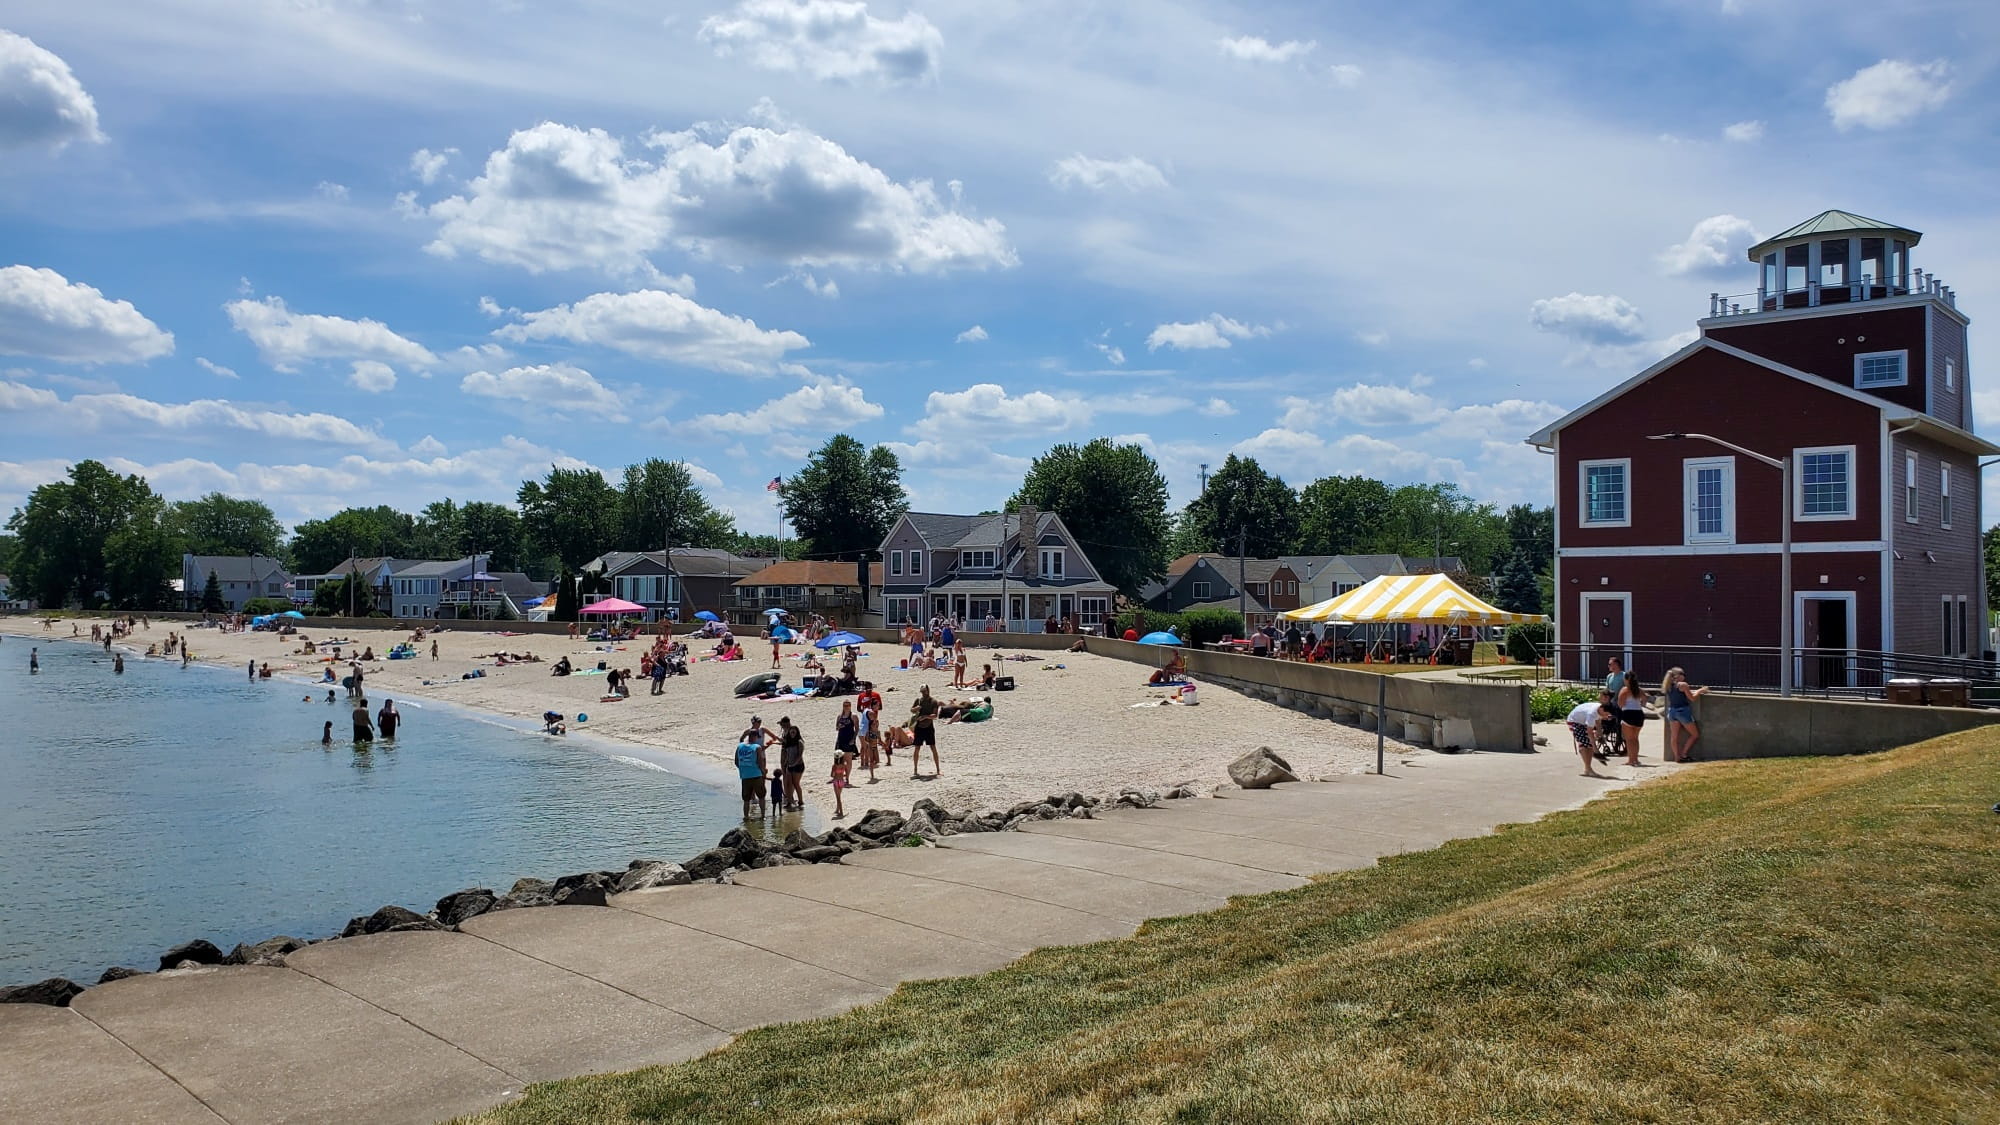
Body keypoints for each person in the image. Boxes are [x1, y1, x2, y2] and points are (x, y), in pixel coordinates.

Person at [1661, 667, 1710, 762]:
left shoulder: (1668, 685)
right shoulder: (1683, 685)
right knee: (1695, 734)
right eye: (1683, 674)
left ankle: (1676, 757)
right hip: (1683, 712)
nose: (1684, 676)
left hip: (1672, 712)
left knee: (1674, 736)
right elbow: (1692, 698)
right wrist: (1700, 691)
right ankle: (1683, 754)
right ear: (1678, 676)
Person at [1566, 692, 1614, 778]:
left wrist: (1600, 735)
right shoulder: (1591, 714)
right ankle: (1588, 769)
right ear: (1602, 710)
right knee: (1585, 744)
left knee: (1589, 745)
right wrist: (1596, 750)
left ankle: (1588, 769)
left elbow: (1598, 722)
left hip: (1584, 722)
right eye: (1606, 715)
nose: (1607, 717)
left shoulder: (1600, 709)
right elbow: (1590, 733)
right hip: (1574, 721)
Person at [1617, 671, 1650, 767]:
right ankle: (1635, 759)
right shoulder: (1639, 690)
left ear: (1626, 679)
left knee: (1629, 739)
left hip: (1628, 713)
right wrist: (1640, 704)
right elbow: (1644, 700)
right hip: (1639, 714)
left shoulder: (1625, 690)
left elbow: (1620, 704)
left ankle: (1631, 760)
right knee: (1635, 738)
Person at [735, 731, 769, 818]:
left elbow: (736, 761)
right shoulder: (757, 747)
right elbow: (760, 762)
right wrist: (763, 772)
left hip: (745, 776)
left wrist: (743, 770)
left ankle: (746, 817)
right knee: (761, 796)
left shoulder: (740, 746)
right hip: (756, 775)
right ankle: (763, 816)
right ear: (755, 737)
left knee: (746, 800)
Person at [909, 686, 940, 780]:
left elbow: (935, 715)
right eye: (922, 692)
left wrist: (925, 717)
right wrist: (916, 709)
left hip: (928, 727)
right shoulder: (918, 700)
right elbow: (911, 710)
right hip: (919, 727)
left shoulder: (933, 701)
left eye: (924, 691)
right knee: (917, 748)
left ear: (928, 691)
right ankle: (915, 769)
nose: (923, 693)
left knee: (933, 747)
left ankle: (938, 769)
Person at [776, 717, 806, 811]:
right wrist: (786, 763)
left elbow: (800, 756)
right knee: (788, 782)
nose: (792, 733)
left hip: (798, 766)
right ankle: (789, 801)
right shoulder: (788, 740)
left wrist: (793, 763)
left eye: (794, 732)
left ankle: (800, 801)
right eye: (791, 732)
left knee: (795, 783)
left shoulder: (799, 742)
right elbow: (785, 748)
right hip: (789, 764)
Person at [857, 699, 880, 782]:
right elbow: (873, 723)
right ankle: (866, 763)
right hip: (865, 730)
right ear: (873, 705)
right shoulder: (872, 713)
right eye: (877, 705)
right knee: (866, 747)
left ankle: (862, 762)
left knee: (863, 747)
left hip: (860, 729)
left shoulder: (865, 710)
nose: (878, 707)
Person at [829, 744, 852, 819]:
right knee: (839, 796)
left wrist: (836, 774)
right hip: (842, 781)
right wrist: (844, 776)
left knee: (838, 798)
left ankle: (841, 812)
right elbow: (845, 773)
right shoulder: (844, 765)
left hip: (836, 781)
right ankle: (837, 810)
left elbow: (832, 775)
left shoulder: (834, 766)